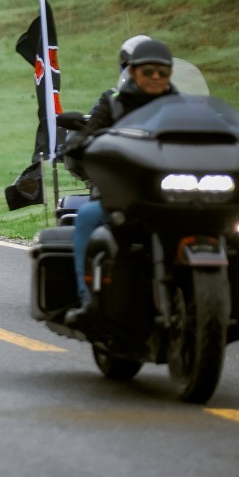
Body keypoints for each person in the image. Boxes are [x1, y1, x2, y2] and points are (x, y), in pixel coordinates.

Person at [63, 38, 178, 327]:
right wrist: (84, 144)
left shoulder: (182, 106)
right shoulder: (112, 103)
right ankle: (89, 300)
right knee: (87, 216)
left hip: (175, 196)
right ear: (133, 71)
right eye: (148, 71)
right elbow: (82, 137)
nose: (155, 77)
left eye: (162, 72)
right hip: (125, 197)